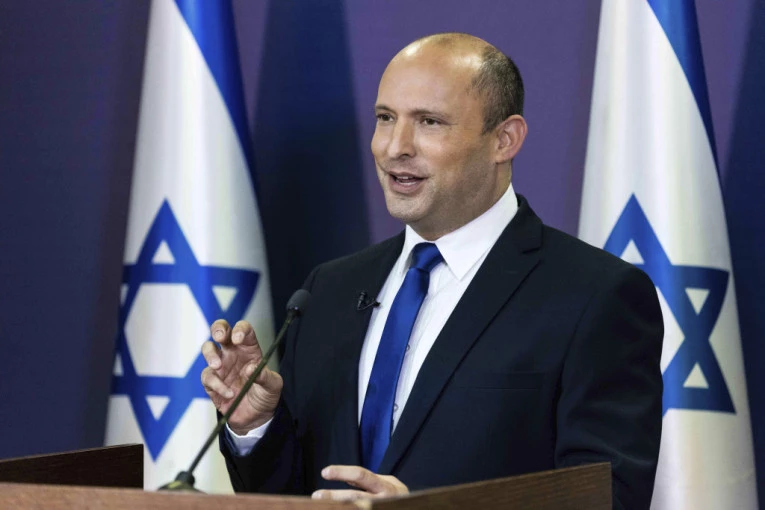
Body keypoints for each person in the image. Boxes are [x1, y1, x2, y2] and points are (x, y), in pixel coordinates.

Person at [200, 33, 663, 509]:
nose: (395, 147)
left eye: (429, 122)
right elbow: (295, 493)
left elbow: (608, 499)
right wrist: (256, 426)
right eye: (385, 118)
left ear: (504, 140)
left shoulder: (594, 295)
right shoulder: (328, 291)